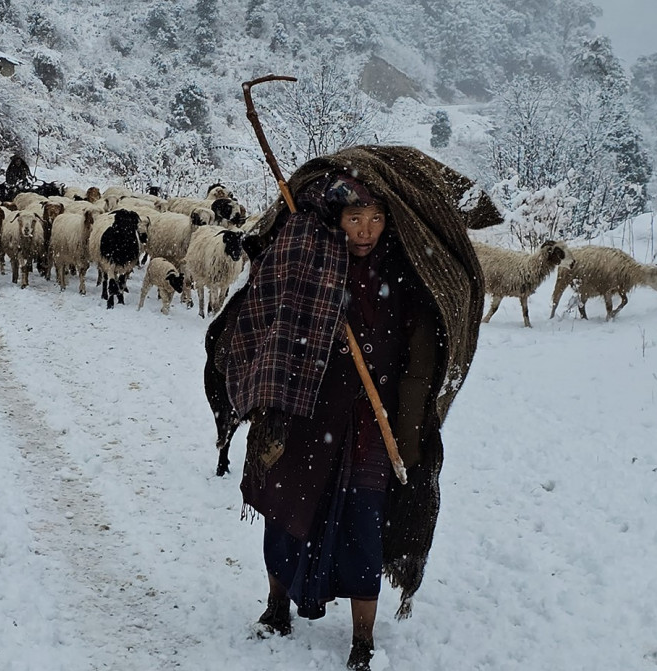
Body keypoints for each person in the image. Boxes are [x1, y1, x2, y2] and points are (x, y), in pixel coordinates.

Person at [214, 146, 500, 670]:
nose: (364, 230)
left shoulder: (406, 274)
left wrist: (411, 421)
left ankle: (362, 640)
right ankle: (277, 606)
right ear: (337, 219)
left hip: (372, 421)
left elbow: (424, 348)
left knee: (364, 525)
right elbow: (275, 312)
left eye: (374, 219)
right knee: (285, 510)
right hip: (308, 411)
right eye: (354, 218)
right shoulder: (312, 261)